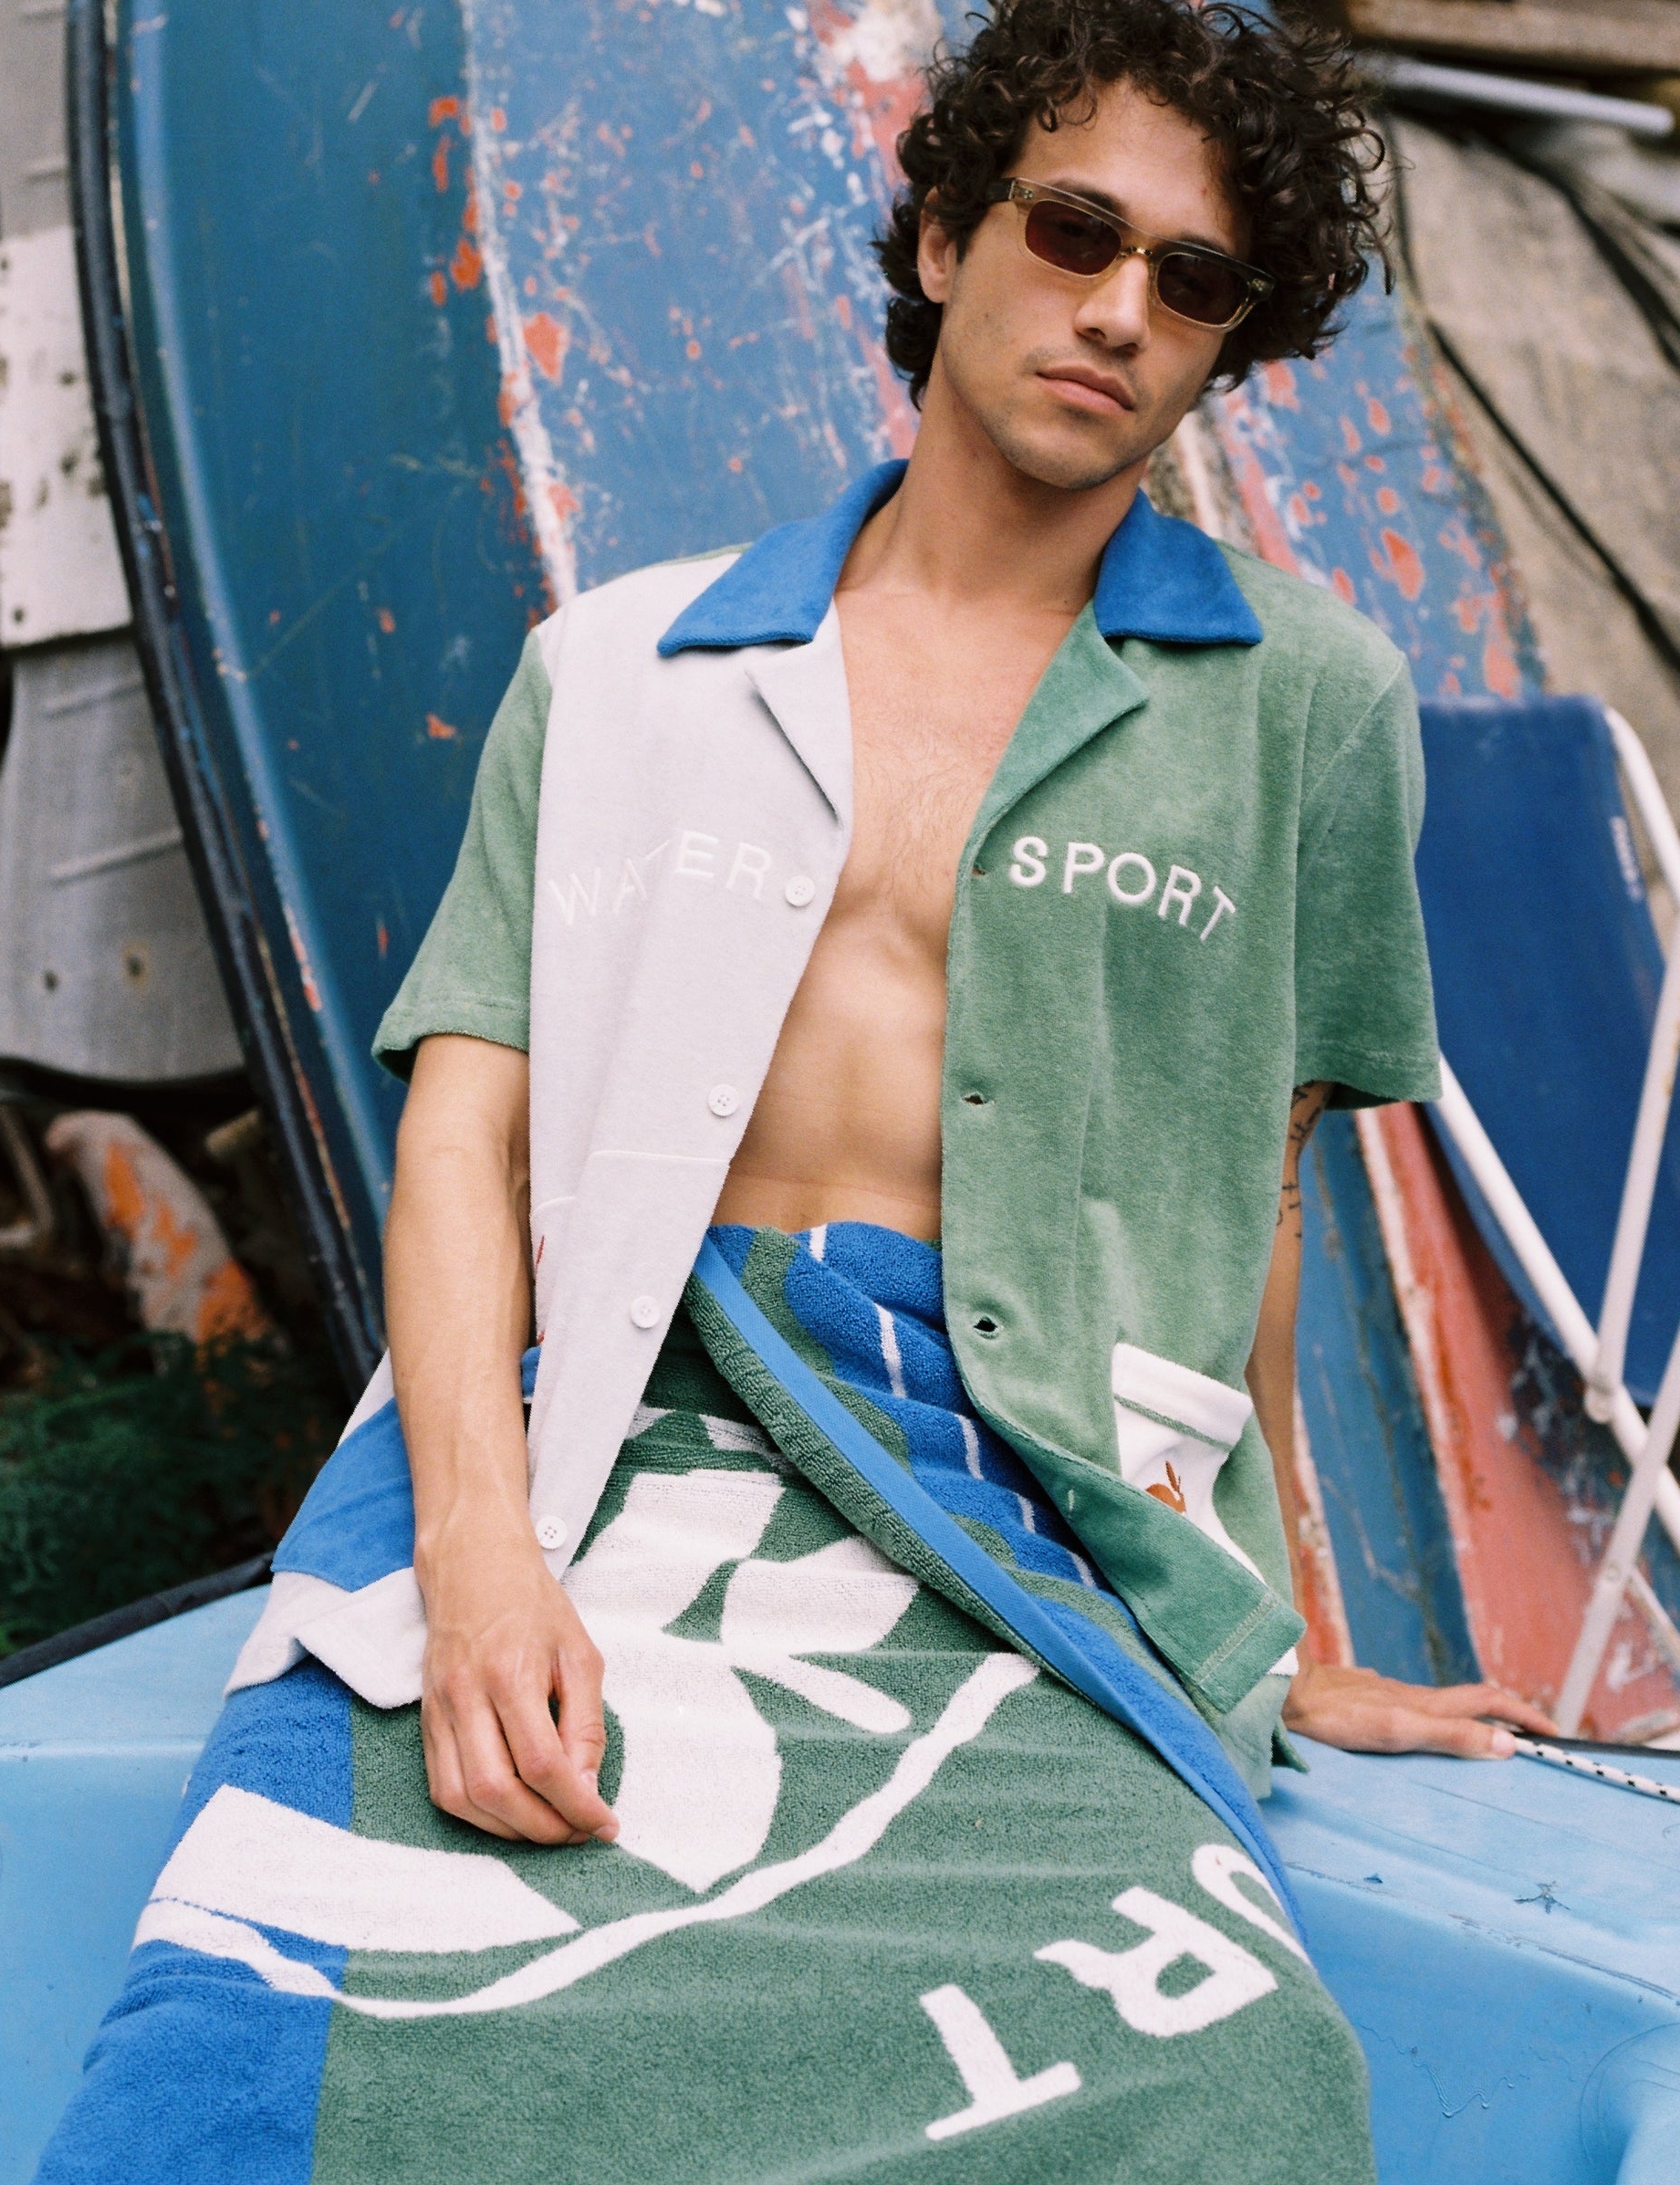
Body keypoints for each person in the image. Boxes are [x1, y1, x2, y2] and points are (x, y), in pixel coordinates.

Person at [378, 0, 1550, 1855]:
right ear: (945, 239)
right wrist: (475, 1558)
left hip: (1029, 1500)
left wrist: (1277, 1625)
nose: (1115, 313)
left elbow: (1255, 1187)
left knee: (1159, 2039)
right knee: (336, 1951)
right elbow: (464, 1129)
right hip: (614, 1449)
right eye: (1073, 231)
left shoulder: (1308, 700)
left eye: (1193, 282)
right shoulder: (617, 670)